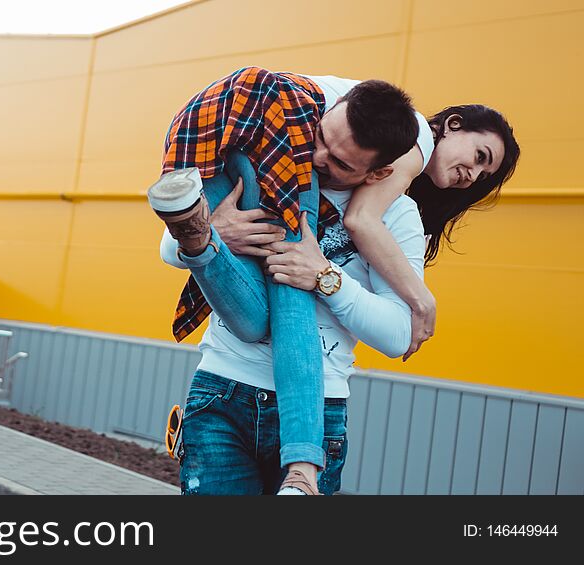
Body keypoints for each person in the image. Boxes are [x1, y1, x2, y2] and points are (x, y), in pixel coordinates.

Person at [149, 67, 520, 494]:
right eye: (320, 139)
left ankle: (301, 470)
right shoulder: (273, 165)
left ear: (380, 172)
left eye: (342, 162)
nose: (319, 157)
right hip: (223, 389)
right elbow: (169, 249)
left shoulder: (398, 217)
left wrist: (325, 277)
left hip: (319, 401)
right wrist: (217, 229)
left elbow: (400, 336)